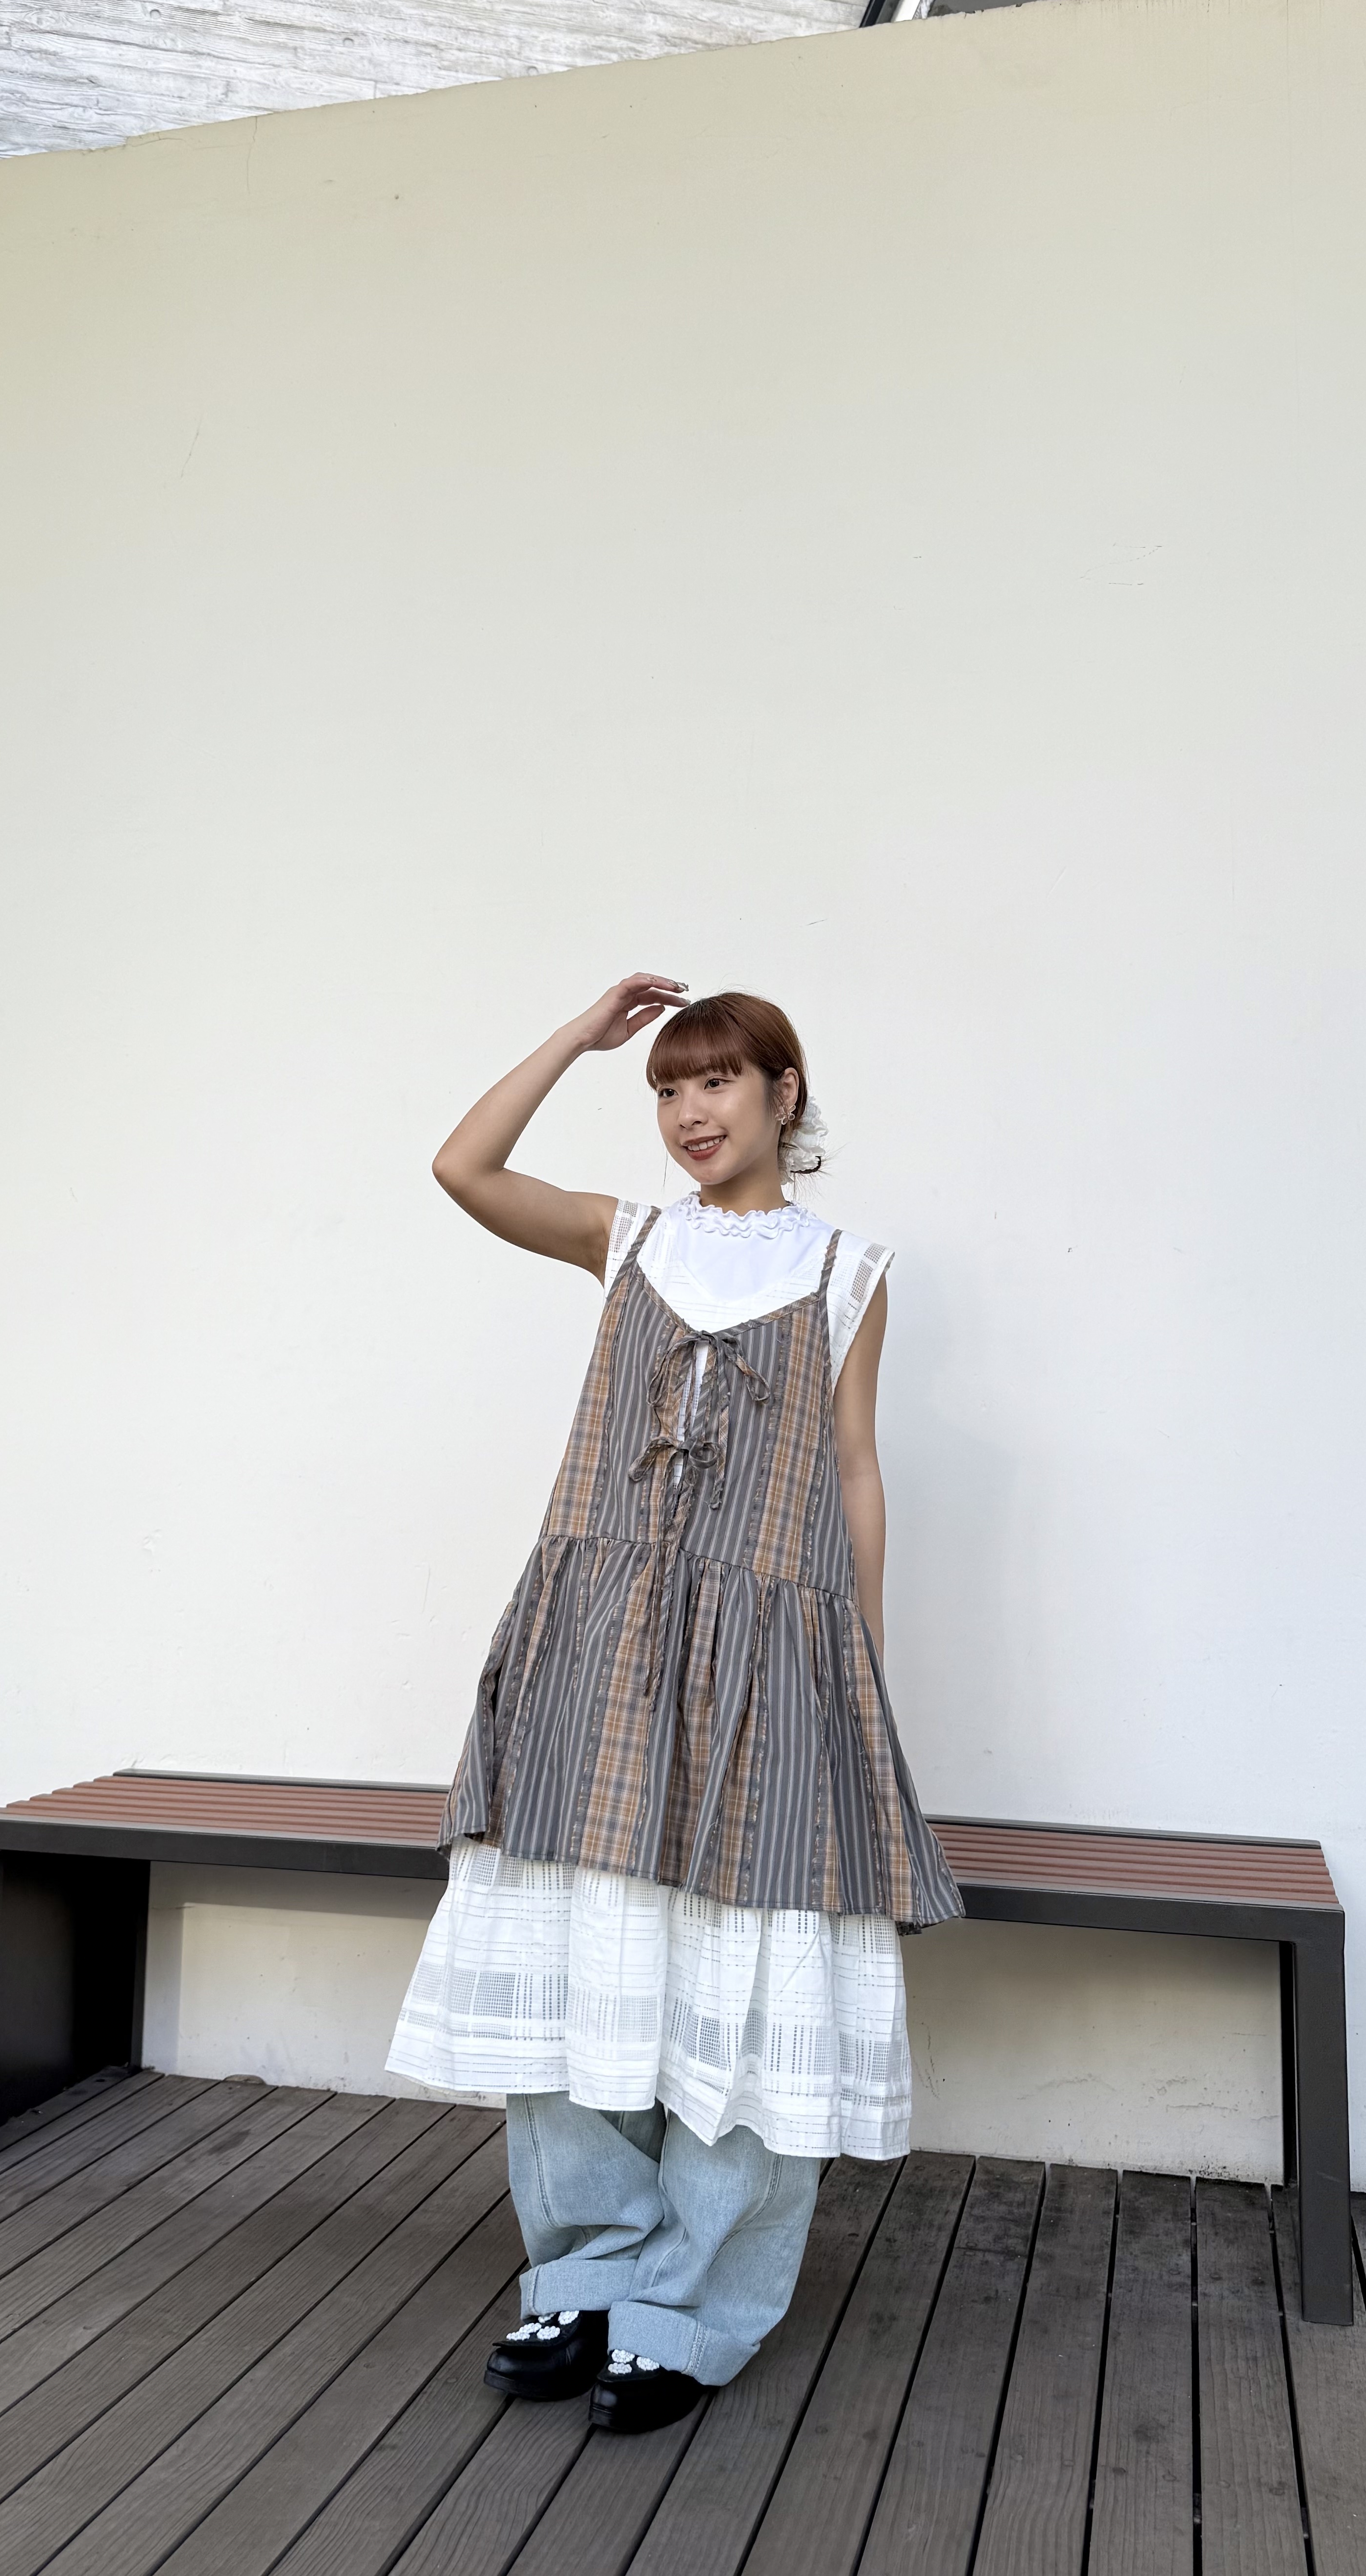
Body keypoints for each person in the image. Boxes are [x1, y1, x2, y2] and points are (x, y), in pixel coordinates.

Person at [387, 975, 960, 2434]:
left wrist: (860, 1669)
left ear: (783, 1093)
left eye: (716, 1080)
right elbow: (464, 1168)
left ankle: (691, 2307)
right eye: (666, 1087)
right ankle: (585, 2273)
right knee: (583, 1956)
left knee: (746, 1974)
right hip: (598, 1640)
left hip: (772, 1653)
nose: (689, 1111)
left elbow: (853, 1470)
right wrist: (577, 1040)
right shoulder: (628, 1238)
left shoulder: (847, 1271)